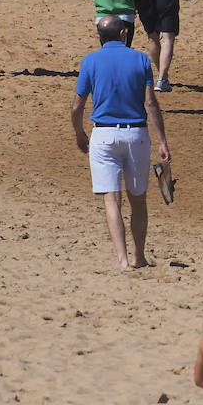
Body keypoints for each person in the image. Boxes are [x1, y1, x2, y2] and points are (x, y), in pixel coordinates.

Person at [70, 16, 171, 269]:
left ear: (99, 36)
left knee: (111, 200)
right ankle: (139, 257)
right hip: (136, 134)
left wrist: (79, 132)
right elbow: (150, 103)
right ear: (124, 33)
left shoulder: (90, 61)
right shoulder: (140, 59)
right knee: (138, 199)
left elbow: (77, 105)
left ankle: (122, 259)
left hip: (103, 136)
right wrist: (162, 141)